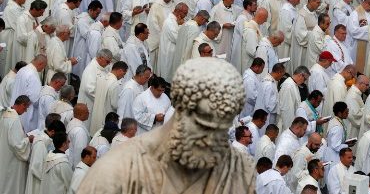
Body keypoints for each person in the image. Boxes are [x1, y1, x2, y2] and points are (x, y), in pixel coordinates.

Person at [79, 58, 256, 192]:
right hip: (145, 131)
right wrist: (154, 118)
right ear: (152, 87)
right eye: (160, 90)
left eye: (164, 90)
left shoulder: (164, 98)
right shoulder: (141, 98)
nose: (162, 93)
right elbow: (136, 114)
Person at [0, 95, 33, 194]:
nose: (26, 111)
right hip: (13, 160)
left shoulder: (5, 114)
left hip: (4, 155)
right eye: (26, 107)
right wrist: (28, 139)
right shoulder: (14, 119)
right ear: (22, 104)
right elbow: (17, 145)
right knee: (11, 185)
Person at [25, 118, 66, 194]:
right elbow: (36, 167)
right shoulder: (41, 143)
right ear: (52, 131)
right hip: (38, 181)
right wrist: (48, 179)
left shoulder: (46, 141)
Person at [10, 54, 46, 132]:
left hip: (15, 107)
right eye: (43, 67)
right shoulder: (33, 75)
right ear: (40, 64)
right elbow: (34, 99)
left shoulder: (22, 70)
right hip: (25, 113)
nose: (42, 69)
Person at [90, 61, 128, 134]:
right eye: (124, 73)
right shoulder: (115, 84)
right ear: (120, 70)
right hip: (106, 119)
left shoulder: (100, 78)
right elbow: (115, 105)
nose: (123, 76)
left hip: (95, 117)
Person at [290, 0, 321, 70]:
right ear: (311, 1)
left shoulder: (314, 13)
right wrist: (315, 34)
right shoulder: (302, 14)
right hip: (302, 48)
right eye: (318, 2)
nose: (319, 5)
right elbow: (300, 33)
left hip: (310, 46)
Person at [277, 66, 310, 132]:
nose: (304, 82)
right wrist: (290, 130)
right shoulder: (288, 86)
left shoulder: (293, 84)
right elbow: (286, 110)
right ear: (300, 75)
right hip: (287, 125)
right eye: (305, 79)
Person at [325, 102, 355, 172]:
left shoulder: (334, 120)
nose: (347, 114)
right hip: (334, 156)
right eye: (346, 112)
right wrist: (347, 145)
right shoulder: (337, 127)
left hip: (331, 153)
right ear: (339, 113)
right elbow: (335, 146)